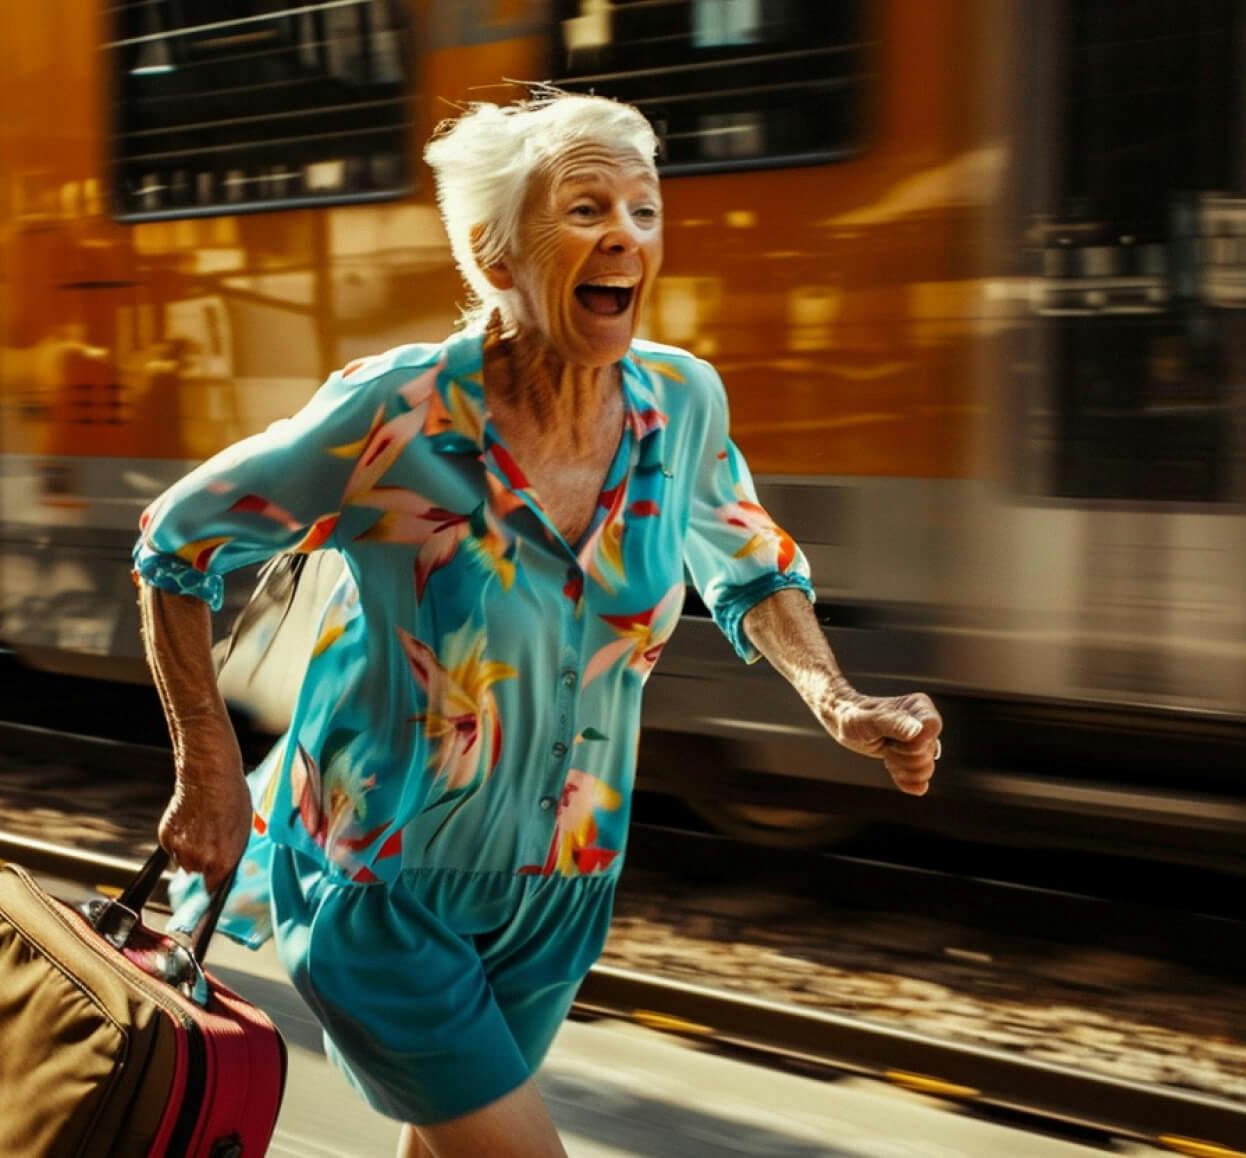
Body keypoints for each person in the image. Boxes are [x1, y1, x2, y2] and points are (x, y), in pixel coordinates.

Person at [131, 90, 943, 1158]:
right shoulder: (396, 413)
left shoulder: (679, 404)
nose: (624, 237)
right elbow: (174, 543)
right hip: (379, 883)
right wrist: (206, 765)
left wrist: (833, 699)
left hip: (561, 892)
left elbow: (748, 567)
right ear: (494, 253)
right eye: (585, 209)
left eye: (642, 211)